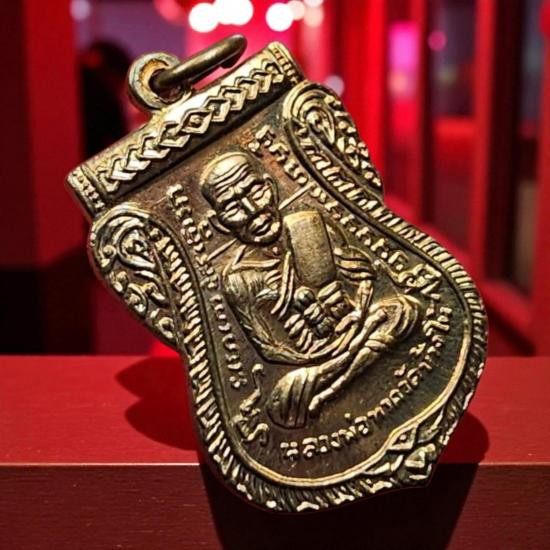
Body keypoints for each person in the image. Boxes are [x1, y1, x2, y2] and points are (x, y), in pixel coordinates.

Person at [201, 152, 422, 428]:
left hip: (357, 331)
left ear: (271, 187)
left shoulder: (309, 224)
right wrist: (313, 357)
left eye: (255, 191)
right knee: (282, 403)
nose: (252, 210)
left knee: (404, 310)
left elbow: (363, 279)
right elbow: (268, 349)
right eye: (232, 207)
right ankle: (341, 377)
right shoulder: (238, 278)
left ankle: (333, 389)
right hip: (317, 364)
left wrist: (358, 312)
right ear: (219, 223)